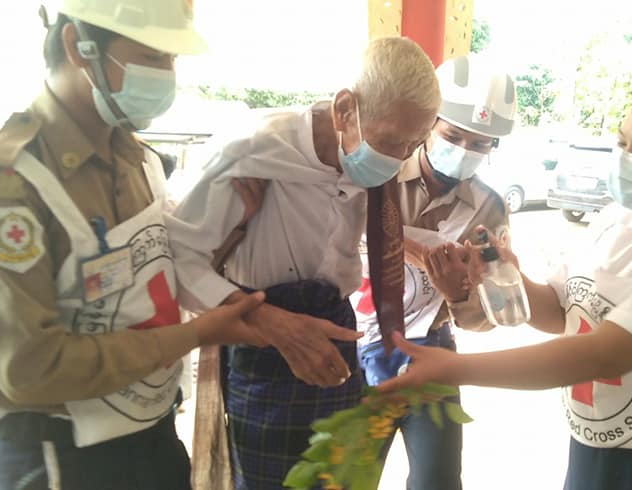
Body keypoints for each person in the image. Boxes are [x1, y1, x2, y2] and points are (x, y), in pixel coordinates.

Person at [0, 1, 271, 488]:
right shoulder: (3, 189)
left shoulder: (137, 160)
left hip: (151, 435)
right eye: (152, 55)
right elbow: (32, 368)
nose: (166, 75)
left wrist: (238, 227)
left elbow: (154, 271)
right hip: (60, 458)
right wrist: (194, 334)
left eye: (172, 59)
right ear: (77, 46)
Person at [378, 77, 632, 490]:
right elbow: (560, 311)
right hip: (594, 445)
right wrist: (503, 273)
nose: (624, 159)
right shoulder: (614, 219)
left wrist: (457, 369)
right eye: (621, 143)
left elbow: (604, 355)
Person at [166, 37, 441, 489]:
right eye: (392, 141)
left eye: (414, 144)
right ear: (345, 109)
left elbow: (377, 240)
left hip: (336, 333)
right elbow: (180, 260)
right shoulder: (253, 152)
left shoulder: (372, 163)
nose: (399, 159)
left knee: (341, 477)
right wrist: (268, 321)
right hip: (260, 339)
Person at [352, 54, 516, 490]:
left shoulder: (489, 210)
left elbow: (491, 314)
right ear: (428, 125)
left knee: (438, 480)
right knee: (348, 474)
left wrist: (459, 295)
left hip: (432, 352)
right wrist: (410, 250)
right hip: (358, 345)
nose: (464, 150)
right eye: (453, 135)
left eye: (480, 144)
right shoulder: (375, 176)